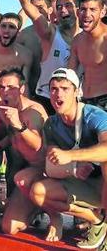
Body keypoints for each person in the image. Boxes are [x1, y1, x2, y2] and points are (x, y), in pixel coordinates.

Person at [29, 68, 107, 248]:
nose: (58, 94)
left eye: (65, 88)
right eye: (54, 89)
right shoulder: (51, 124)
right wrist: (74, 167)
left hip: (102, 181)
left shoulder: (95, 116)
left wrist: (71, 156)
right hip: (82, 183)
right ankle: (96, 220)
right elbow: (53, 160)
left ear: (76, 92)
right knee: (37, 191)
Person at [0, 68, 48, 239]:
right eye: (2, 87)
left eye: (11, 87)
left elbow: (37, 146)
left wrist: (19, 124)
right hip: (17, 171)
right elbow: (12, 137)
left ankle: (39, 206)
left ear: (21, 89)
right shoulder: (4, 108)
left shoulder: (33, 111)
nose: (5, 91)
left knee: (8, 227)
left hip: (37, 173)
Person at [12, 0, 80, 114]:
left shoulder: (87, 37)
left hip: (77, 101)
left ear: (78, 10)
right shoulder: (51, 34)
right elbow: (36, 17)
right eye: (59, 7)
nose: (62, 10)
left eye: (68, 5)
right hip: (47, 100)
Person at [69, 0, 107, 111]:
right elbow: (70, 74)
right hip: (83, 101)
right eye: (83, 9)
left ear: (102, 12)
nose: (87, 14)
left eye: (92, 9)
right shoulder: (77, 40)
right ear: (77, 12)